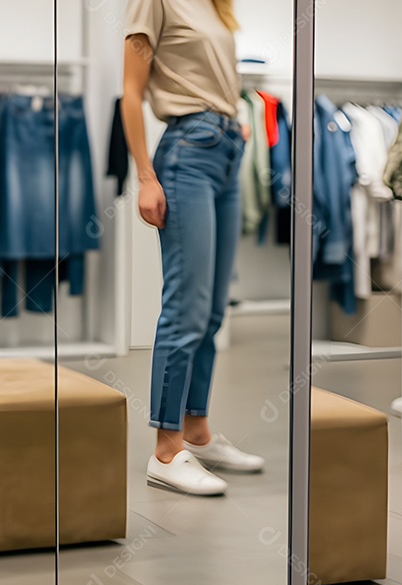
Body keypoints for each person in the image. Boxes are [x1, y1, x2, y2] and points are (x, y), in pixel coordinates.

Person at [122, 0, 265, 497]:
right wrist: (145, 176)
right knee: (186, 307)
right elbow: (131, 92)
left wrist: (235, 119)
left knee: (212, 310)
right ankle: (165, 450)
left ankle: (197, 433)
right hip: (188, 155)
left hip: (227, 149)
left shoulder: (215, 6)